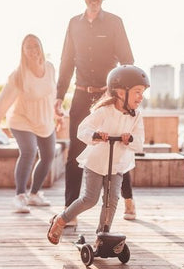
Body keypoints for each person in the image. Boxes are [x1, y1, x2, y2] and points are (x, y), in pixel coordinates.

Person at [55, 0, 137, 225]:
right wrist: (59, 96)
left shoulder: (114, 23)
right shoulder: (73, 24)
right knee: (75, 150)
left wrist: (127, 96)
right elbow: (66, 62)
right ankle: (70, 210)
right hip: (81, 94)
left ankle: (128, 198)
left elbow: (127, 60)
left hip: (107, 96)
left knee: (116, 148)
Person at [47, 65, 150, 245]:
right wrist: (95, 136)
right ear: (120, 92)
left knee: (112, 201)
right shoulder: (104, 111)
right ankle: (61, 220)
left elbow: (140, 142)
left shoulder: (136, 116)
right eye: (137, 92)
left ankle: (103, 236)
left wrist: (130, 139)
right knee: (89, 199)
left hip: (117, 164)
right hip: (96, 162)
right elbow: (82, 130)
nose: (141, 97)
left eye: (142, 92)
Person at [0, 34, 58, 213]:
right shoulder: (18, 75)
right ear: (23, 51)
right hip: (22, 119)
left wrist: (58, 113)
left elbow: (52, 93)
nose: (33, 50)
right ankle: (20, 196)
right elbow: (3, 100)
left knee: (49, 155)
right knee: (28, 151)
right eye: (28, 47)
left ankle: (34, 194)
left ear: (41, 47)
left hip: (44, 119)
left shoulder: (50, 68)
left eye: (35, 45)